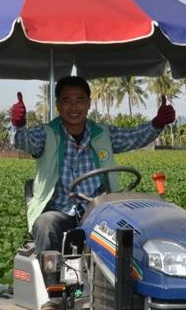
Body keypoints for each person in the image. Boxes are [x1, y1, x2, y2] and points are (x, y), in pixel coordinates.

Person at [10, 76, 175, 253]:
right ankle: (50, 270)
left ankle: (125, 270)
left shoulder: (102, 134)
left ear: (89, 104)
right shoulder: (47, 134)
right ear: (58, 105)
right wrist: (18, 125)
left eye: (80, 100)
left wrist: (158, 123)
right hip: (60, 211)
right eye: (67, 101)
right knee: (45, 223)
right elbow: (25, 141)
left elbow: (134, 136)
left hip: (99, 210)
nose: (74, 107)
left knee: (133, 226)